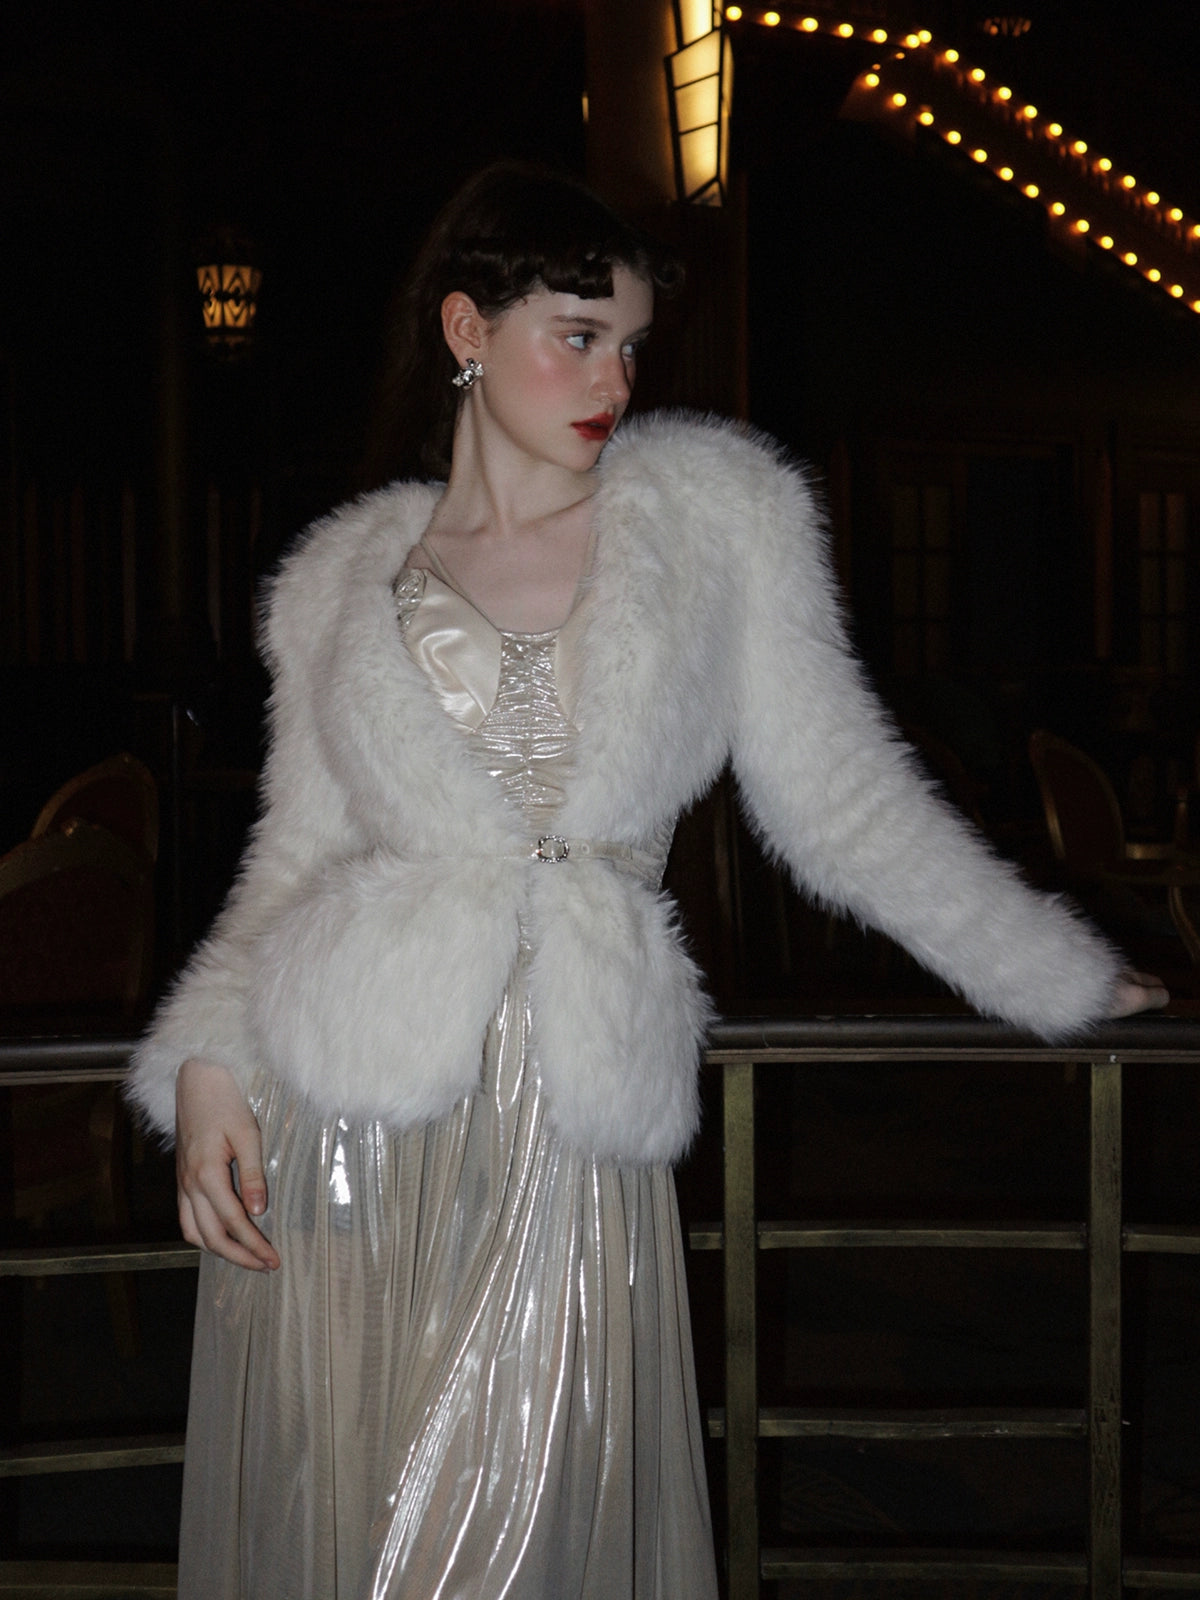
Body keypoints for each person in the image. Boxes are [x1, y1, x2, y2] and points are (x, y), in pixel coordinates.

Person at [127, 162, 1166, 1599]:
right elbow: (296, 857)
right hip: (347, 1115)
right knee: (344, 1511)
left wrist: (1049, 968)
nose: (615, 376)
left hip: (569, 1112)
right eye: (578, 334)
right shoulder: (340, 580)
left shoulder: (712, 521)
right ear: (465, 332)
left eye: (629, 344)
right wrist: (205, 1067)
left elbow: (845, 798)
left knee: (507, 1536)